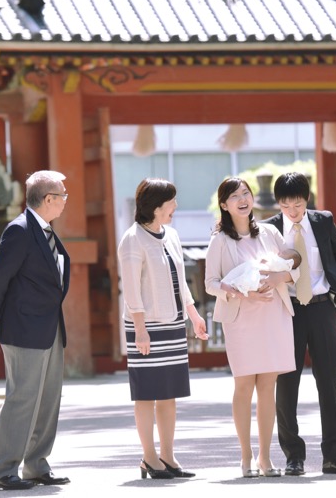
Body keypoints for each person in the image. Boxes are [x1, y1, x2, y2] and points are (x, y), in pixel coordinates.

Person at [263, 172, 336, 476]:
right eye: (286, 205)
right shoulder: (269, 229)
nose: (293, 211)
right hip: (287, 310)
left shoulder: (322, 220)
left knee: (328, 381)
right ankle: (294, 456)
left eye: (299, 204)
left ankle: (334, 455)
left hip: (320, 308)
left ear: (308, 199)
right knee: (287, 383)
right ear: (279, 203)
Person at [205, 177, 297, 478]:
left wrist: (277, 276)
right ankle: (246, 456)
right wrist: (240, 291)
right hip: (242, 319)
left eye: (246, 193)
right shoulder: (219, 240)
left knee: (268, 388)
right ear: (224, 205)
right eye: (234, 196)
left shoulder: (270, 232)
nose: (242, 199)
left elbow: (292, 265)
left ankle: (266, 458)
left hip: (273, 314)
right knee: (244, 387)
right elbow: (210, 284)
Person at [0, 170, 71, 490]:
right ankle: (2, 470)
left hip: (50, 328)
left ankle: (36, 465)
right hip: (22, 328)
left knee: (48, 399)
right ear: (48, 199)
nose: (65, 200)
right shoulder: (20, 230)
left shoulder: (47, 230)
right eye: (62, 195)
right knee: (22, 398)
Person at [117, 178, 209, 480]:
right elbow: (131, 290)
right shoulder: (132, 240)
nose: (176, 207)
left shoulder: (170, 235)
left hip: (171, 324)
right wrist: (140, 329)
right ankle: (148, 457)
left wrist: (193, 315)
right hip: (145, 327)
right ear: (157, 207)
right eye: (172, 202)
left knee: (168, 393)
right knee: (146, 394)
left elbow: (181, 282)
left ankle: (167, 456)